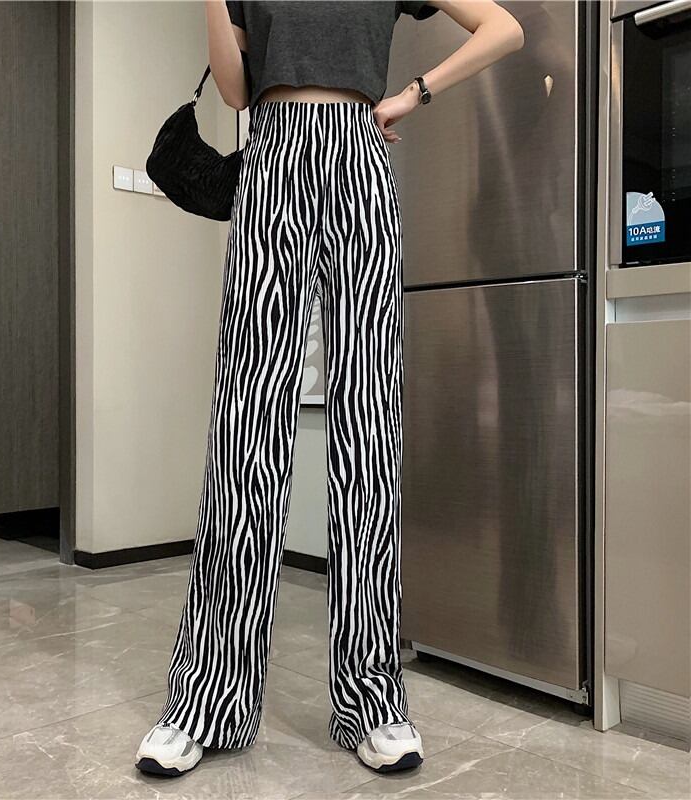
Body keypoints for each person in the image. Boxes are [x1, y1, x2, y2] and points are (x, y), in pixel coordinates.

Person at [136, 0, 524, 777]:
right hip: (271, 155)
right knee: (246, 424)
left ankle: (373, 700)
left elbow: (503, 28)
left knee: (369, 428)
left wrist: (413, 92)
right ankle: (206, 698)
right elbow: (235, 91)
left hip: (360, 159)